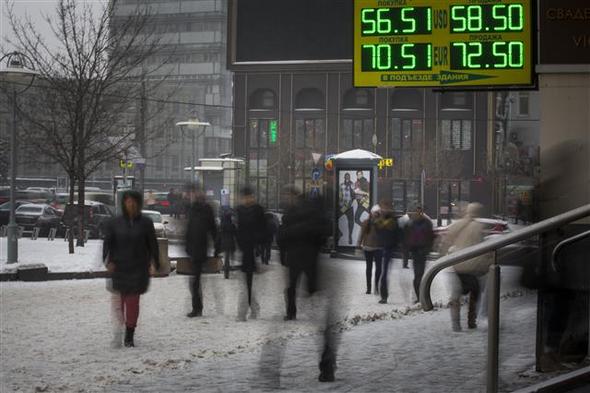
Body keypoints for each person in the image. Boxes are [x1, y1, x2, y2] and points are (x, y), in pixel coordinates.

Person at [103, 190, 160, 348]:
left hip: (138, 268)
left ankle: (129, 334)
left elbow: (152, 244)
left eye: (134, 201)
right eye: (128, 201)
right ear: (124, 203)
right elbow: (108, 244)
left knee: (133, 302)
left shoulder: (146, 223)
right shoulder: (115, 223)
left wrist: (154, 263)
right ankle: (118, 330)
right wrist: (108, 261)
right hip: (119, 267)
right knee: (119, 303)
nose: (131, 204)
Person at [278, 186, 329, 321]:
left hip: (306, 253)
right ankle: (291, 312)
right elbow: (283, 235)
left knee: (308, 286)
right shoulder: (290, 212)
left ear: (294, 196)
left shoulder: (305, 210)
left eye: (288, 196)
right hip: (297, 254)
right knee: (292, 286)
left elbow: (316, 230)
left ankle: (297, 311)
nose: (286, 199)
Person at [440, 203, 492, 332]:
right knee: (475, 292)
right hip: (475, 266)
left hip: (458, 264)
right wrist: (488, 260)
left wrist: (442, 257)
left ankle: (456, 323)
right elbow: (484, 247)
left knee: (455, 294)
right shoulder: (480, 227)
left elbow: (446, 242)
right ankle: (471, 321)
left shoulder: (457, 224)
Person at [185, 185, 217, 318]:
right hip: (193, 249)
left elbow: (213, 228)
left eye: (196, 192)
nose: (194, 195)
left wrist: (217, 246)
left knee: (195, 281)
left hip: (200, 249)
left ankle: (197, 308)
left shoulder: (206, 209)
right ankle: (197, 307)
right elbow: (189, 229)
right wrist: (186, 245)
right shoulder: (192, 209)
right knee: (194, 281)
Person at [235, 187, 266, 321]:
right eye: (245, 197)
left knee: (248, 284)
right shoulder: (239, 211)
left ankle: (244, 312)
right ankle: (252, 309)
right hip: (245, 250)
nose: (247, 199)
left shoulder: (258, 210)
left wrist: (260, 249)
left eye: (249, 196)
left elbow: (263, 230)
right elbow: (238, 230)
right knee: (247, 283)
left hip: (253, 251)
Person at [374, 200, 401, 304]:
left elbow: (398, 235)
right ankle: (380, 292)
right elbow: (376, 230)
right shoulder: (379, 220)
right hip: (380, 248)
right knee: (380, 271)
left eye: (385, 208)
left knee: (384, 273)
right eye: (382, 208)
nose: (383, 210)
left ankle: (384, 296)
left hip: (388, 249)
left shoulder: (393, 221)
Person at [406, 206, 434, 302]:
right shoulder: (411, 224)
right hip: (415, 252)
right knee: (417, 275)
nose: (417, 214)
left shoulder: (427, 223)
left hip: (422, 252)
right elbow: (407, 237)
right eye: (416, 212)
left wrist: (427, 249)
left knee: (420, 275)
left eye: (419, 212)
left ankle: (421, 296)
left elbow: (431, 237)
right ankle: (419, 296)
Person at [358, 204, 383, 295]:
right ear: (371, 213)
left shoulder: (381, 223)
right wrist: (359, 243)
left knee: (379, 269)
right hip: (368, 247)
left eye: (378, 213)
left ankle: (376, 286)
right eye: (375, 213)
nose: (376, 214)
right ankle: (368, 288)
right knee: (369, 268)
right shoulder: (366, 222)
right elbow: (361, 233)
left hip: (378, 248)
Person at [339, 173, 355, 245]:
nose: (347, 178)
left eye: (348, 176)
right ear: (344, 177)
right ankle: (339, 233)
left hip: (349, 206)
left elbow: (354, 194)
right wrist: (340, 203)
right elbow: (339, 195)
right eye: (346, 176)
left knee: (351, 222)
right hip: (343, 206)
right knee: (336, 218)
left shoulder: (352, 185)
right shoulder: (341, 185)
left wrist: (352, 201)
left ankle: (350, 237)